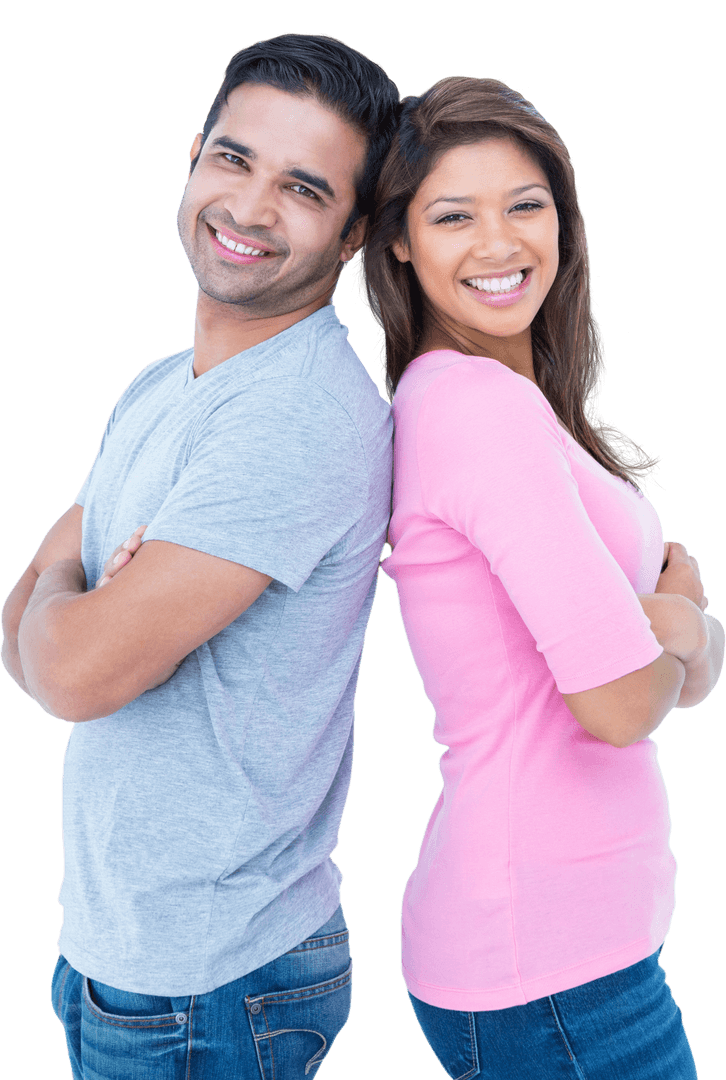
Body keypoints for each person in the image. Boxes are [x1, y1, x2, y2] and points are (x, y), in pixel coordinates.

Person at [0, 33, 399, 1079]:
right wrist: (75, 605)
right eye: (235, 160)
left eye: (304, 189)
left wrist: (74, 609)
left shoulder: (295, 416)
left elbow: (73, 669)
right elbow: (30, 617)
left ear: (354, 234)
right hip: (115, 952)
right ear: (192, 160)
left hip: (213, 986)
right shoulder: (159, 385)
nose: (251, 209)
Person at [360, 75, 724, 1078]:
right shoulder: (477, 409)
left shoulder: (506, 402)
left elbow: (645, 679)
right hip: (551, 973)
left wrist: (670, 638)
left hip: (568, 956)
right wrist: (685, 620)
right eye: (452, 216)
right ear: (399, 241)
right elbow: (618, 704)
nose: (498, 243)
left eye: (526, 206)